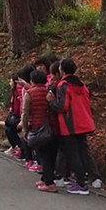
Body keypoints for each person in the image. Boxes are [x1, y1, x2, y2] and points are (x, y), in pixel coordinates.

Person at [50, 58, 96, 195]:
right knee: (82, 152)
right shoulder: (81, 84)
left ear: (61, 70)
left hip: (70, 124)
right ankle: (84, 180)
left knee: (73, 154)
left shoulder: (63, 85)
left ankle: (81, 184)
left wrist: (51, 100)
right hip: (84, 121)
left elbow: (62, 106)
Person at [22, 68, 59, 191]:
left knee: (43, 156)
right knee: (51, 155)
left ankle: (50, 183)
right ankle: (46, 178)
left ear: (32, 81)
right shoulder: (50, 92)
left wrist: (25, 128)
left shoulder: (29, 94)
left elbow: (25, 113)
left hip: (38, 127)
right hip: (53, 127)